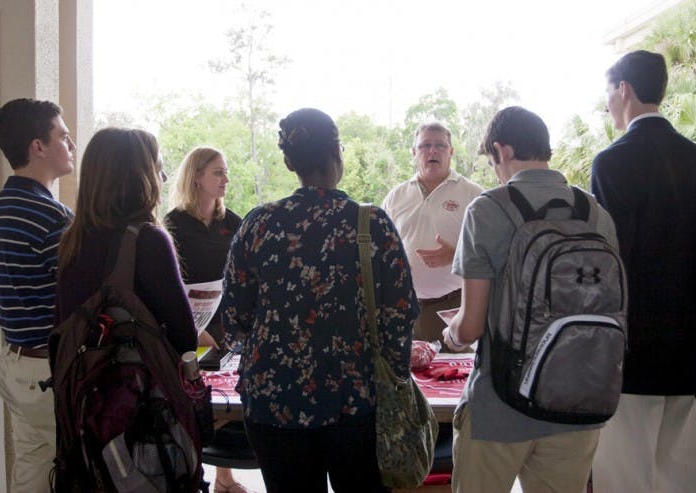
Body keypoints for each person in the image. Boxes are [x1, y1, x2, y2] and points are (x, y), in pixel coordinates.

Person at [222, 108, 418, 493]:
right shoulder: (370, 224)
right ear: (338, 154)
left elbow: (234, 319)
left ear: (288, 161)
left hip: (274, 401)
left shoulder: (258, 224)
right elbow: (400, 316)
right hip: (354, 402)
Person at [443, 106, 616, 493]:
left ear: (502, 151)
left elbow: (471, 327)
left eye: (492, 162)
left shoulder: (487, 209)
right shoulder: (596, 213)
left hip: (500, 406)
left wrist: (450, 335)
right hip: (580, 405)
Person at [589, 50, 696, 493]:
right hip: (686, 355)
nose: (607, 102)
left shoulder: (611, 161)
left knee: (623, 480)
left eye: (608, 91)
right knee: (678, 480)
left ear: (623, 89)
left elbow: (609, 262)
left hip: (630, 353)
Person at [55, 127, 196, 357]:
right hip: (134, 387)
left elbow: (61, 328)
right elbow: (185, 338)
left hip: (80, 386)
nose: (164, 178)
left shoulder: (72, 240)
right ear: (139, 177)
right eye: (158, 168)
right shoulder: (148, 240)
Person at [0, 98, 75, 493]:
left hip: (13, 365)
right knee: (84, 467)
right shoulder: (53, 217)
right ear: (37, 147)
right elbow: (77, 298)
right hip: (49, 371)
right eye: (63, 135)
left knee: (31, 470)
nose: (71, 144)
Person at [164, 146, 250, 493]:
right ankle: (193, 475)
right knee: (195, 402)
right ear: (196, 176)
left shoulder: (233, 222)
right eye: (218, 172)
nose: (225, 179)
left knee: (230, 403)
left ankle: (224, 479)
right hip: (189, 327)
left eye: (226, 172)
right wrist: (193, 329)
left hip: (229, 324)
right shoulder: (173, 224)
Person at [382, 122, 482, 350]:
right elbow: (382, 252)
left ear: (451, 152)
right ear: (414, 152)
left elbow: (493, 256)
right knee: (407, 382)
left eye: (440, 145)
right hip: (405, 308)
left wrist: (456, 256)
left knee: (454, 382)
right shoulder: (395, 197)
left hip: (455, 310)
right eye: (425, 145)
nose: (433, 151)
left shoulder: (474, 195)